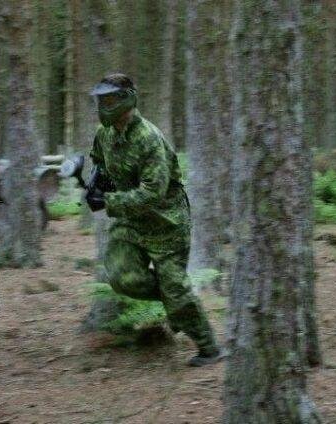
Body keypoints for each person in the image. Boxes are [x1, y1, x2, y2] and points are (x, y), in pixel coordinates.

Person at [87, 73, 221, 366]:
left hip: (166, 223)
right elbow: (99, 161)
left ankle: (209, 347)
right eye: (101, 100)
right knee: (123, 277)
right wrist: (96, 185)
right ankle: (176, 303)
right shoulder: (105, 134)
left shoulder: (149, 139)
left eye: (109, 100)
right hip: (131, 222)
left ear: (127, 100)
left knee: (175, 288)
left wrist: (108, 201)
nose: (103, 106)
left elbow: (153, 194)